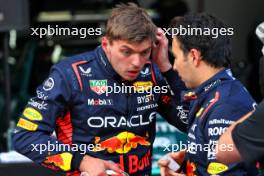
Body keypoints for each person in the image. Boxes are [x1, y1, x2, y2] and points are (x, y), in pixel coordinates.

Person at [12, 3, 188, 176]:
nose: (136, 62)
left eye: (144, 52)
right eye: (126, 52)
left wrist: (166, 67)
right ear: (106, 45)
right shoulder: (70, 75)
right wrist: (81, 161)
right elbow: (24, 136)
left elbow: (188, 122)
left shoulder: (153, 72)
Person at [158, 13, 257, 175]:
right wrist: (190, 162)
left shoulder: (225, 106)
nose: (174, 66)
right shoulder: (217, 92)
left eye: (175, 57)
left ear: (194, 56)